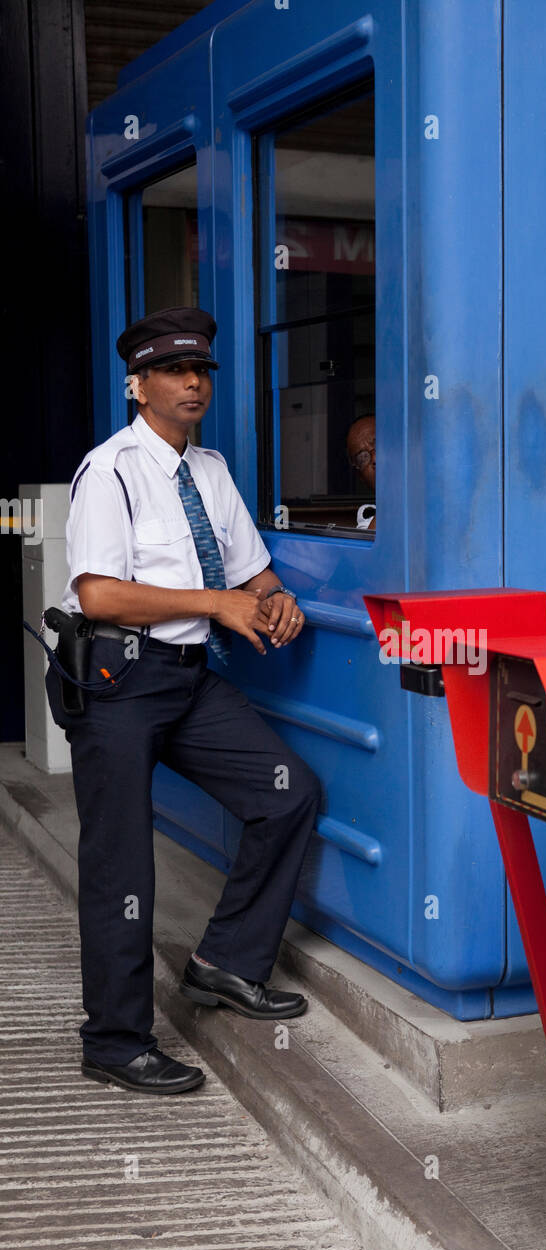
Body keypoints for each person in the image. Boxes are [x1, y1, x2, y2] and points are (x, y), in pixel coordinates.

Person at [46, 307, 321, 1096]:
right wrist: (216, 604)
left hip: (187, 682)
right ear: (138, 385)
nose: (192, 382)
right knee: (121, 864)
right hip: (118, 685)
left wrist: (275, 600)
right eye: (172, 370)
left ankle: (223, 964)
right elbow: (95, 592)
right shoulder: (112, 470)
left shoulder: (212, 471)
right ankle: (115, 1039)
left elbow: (250, 570)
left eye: (200, 370)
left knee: (288, 794)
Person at [346, 415, 376, 531]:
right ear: (361, 477)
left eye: (379, 444)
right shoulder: (366, 521)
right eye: (363, 458)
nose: (374, 459)